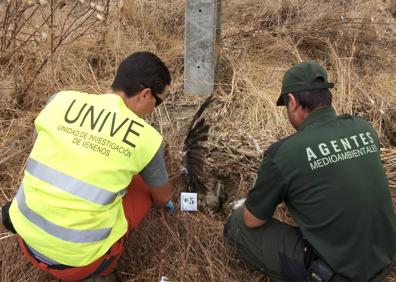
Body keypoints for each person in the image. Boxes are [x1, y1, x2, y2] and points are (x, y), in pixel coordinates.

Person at [0, 51, 174, 281]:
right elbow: (162, 198)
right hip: (78, 264)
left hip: (25, 236)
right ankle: (101, 272)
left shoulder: (59, 100)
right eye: (158, 102)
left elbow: (40, 145)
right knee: (142, 188)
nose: (155, 109)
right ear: (144, 94)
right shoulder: (146, 139)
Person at [224, 60, 396, 282]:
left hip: (345, 274)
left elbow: (252, 220)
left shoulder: (283, 154)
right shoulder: (363, 128)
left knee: (237, 224)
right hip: (384, 257)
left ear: (293, 102)